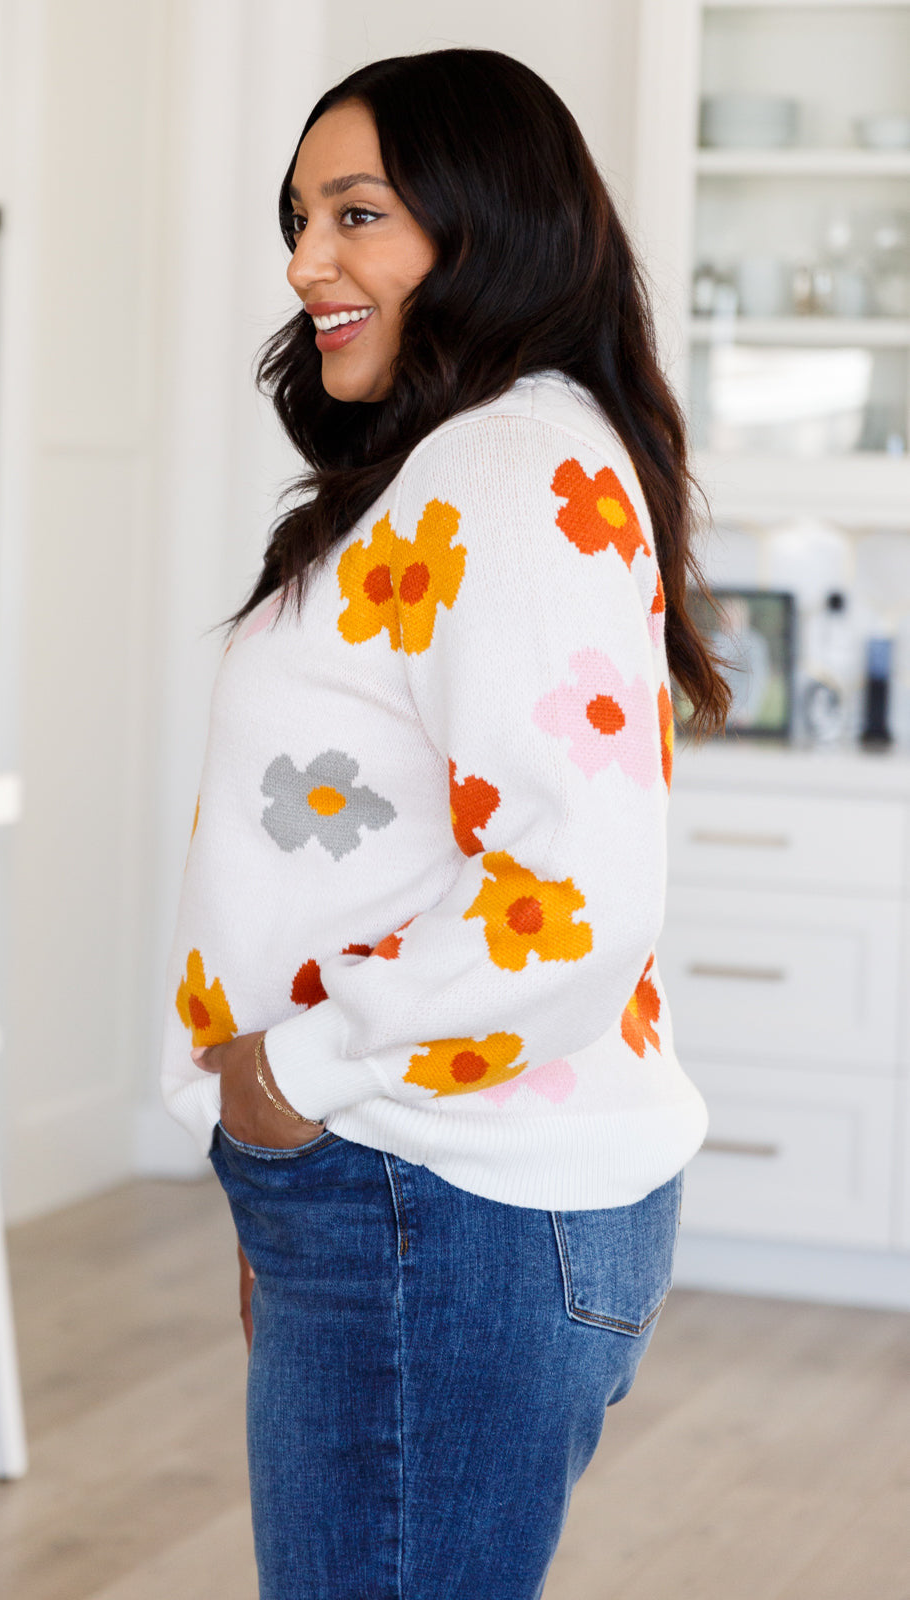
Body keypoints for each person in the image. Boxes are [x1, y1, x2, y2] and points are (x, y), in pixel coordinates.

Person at [160, 47, 729, 1600]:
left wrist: (298, 1076)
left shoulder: (506, 465)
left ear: (490, 227)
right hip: (413, 1177)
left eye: (359, 214)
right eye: (299, 217)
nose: (306, 262)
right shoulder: (483, 457)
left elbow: (572, 891)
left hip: (428, 1180)